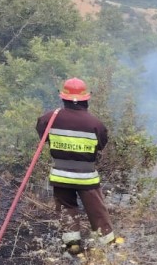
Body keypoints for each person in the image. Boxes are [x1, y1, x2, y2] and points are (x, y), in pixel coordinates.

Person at [36, 77, 116, 255]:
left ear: (63, 98)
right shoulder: (95, 124)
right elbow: (101, 144)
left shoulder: (50, 118)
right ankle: (107, 245)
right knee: (97, 210)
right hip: (86, 177)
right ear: (86, 99)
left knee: (66, 207)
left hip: (60, 175)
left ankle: (72, 244)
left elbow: (42, 134)